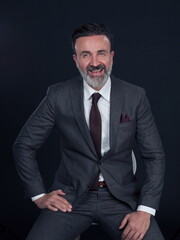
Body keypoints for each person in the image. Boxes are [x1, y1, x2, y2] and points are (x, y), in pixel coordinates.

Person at [13, 23, 165, 240]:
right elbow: (24, 145)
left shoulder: (135, 97)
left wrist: (145, 210)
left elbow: (154, 155)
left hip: (122, 200)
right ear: (76, 60)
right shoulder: (58, 95)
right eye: (86, 55)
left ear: (111, 56)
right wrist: (39, 195)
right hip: (70, 198)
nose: (95, 63)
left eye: (101, 53)